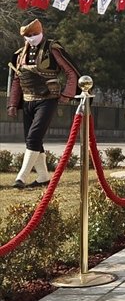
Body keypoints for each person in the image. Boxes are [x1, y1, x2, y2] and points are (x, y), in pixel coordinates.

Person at [7, 19, 79, 189]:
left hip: (48, 99)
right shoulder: (20, 54)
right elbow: (17, 79)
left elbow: (70, 72)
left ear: (41, 32)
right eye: (28, 36)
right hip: (27, 100)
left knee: (33, 137)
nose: (31, 38)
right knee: (32, 140)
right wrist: (12, 103)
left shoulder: (53, 48)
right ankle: (43, 177)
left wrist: (67, 94)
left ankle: (21, 177)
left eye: (33, 34)